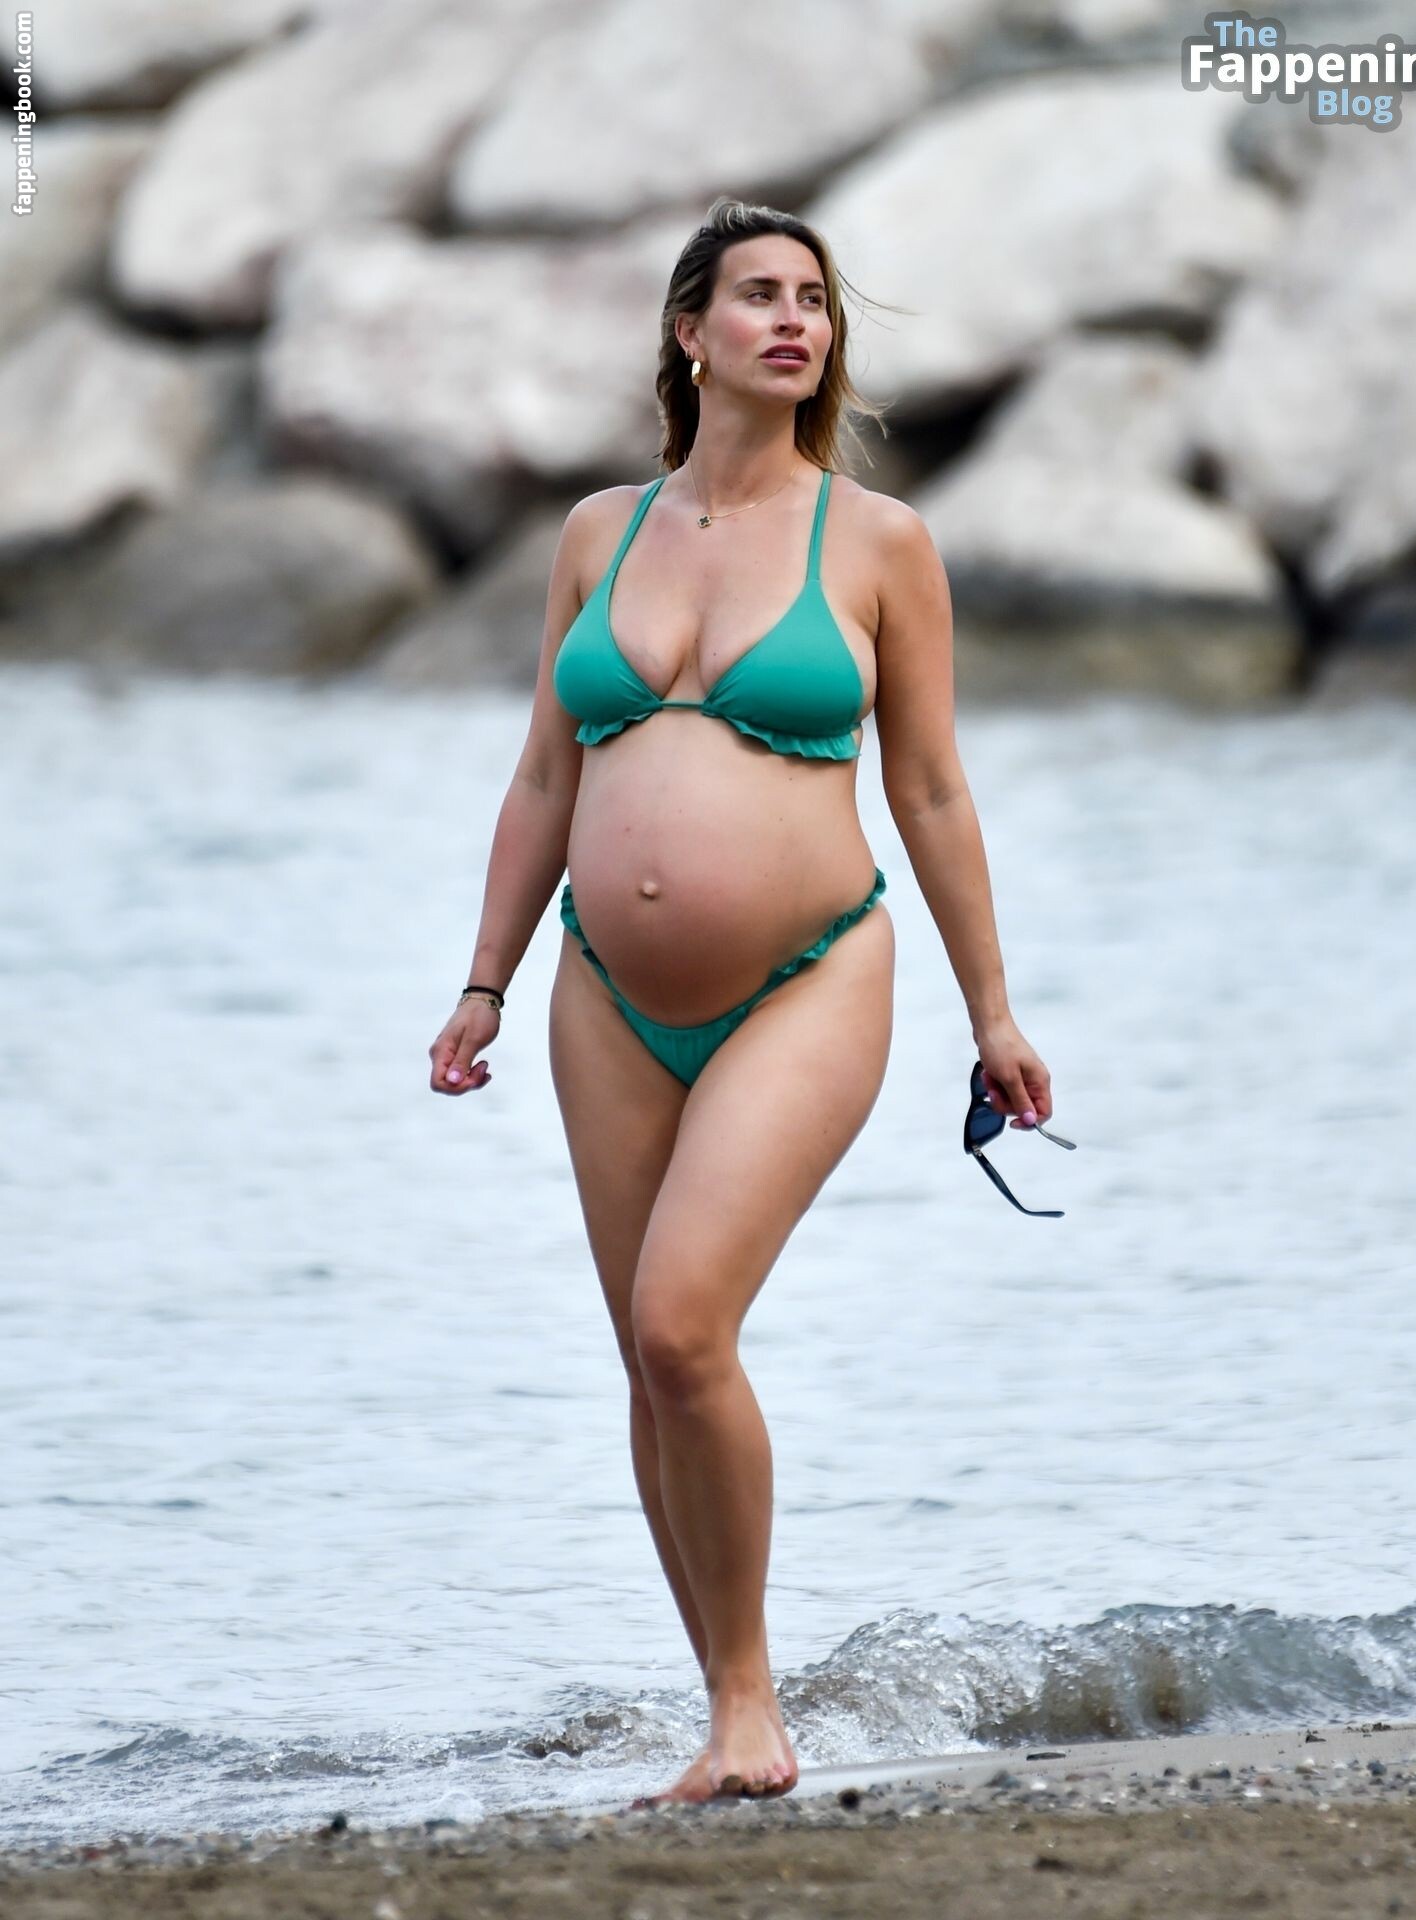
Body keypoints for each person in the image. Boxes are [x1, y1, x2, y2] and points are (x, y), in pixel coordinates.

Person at [427, 196, 1056, 1808]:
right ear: (690, 331)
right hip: (600, 991)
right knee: (651, 1367)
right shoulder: (599, 533)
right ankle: (727, 1709)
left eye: (814, 301)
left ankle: (752, 1705)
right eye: (760, 295)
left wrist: (992, 1010)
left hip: (811, 974)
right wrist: (485, 981)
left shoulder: (880, 543)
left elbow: (930, 789)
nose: (794, 320)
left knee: (680, 1324)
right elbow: (543, 773)